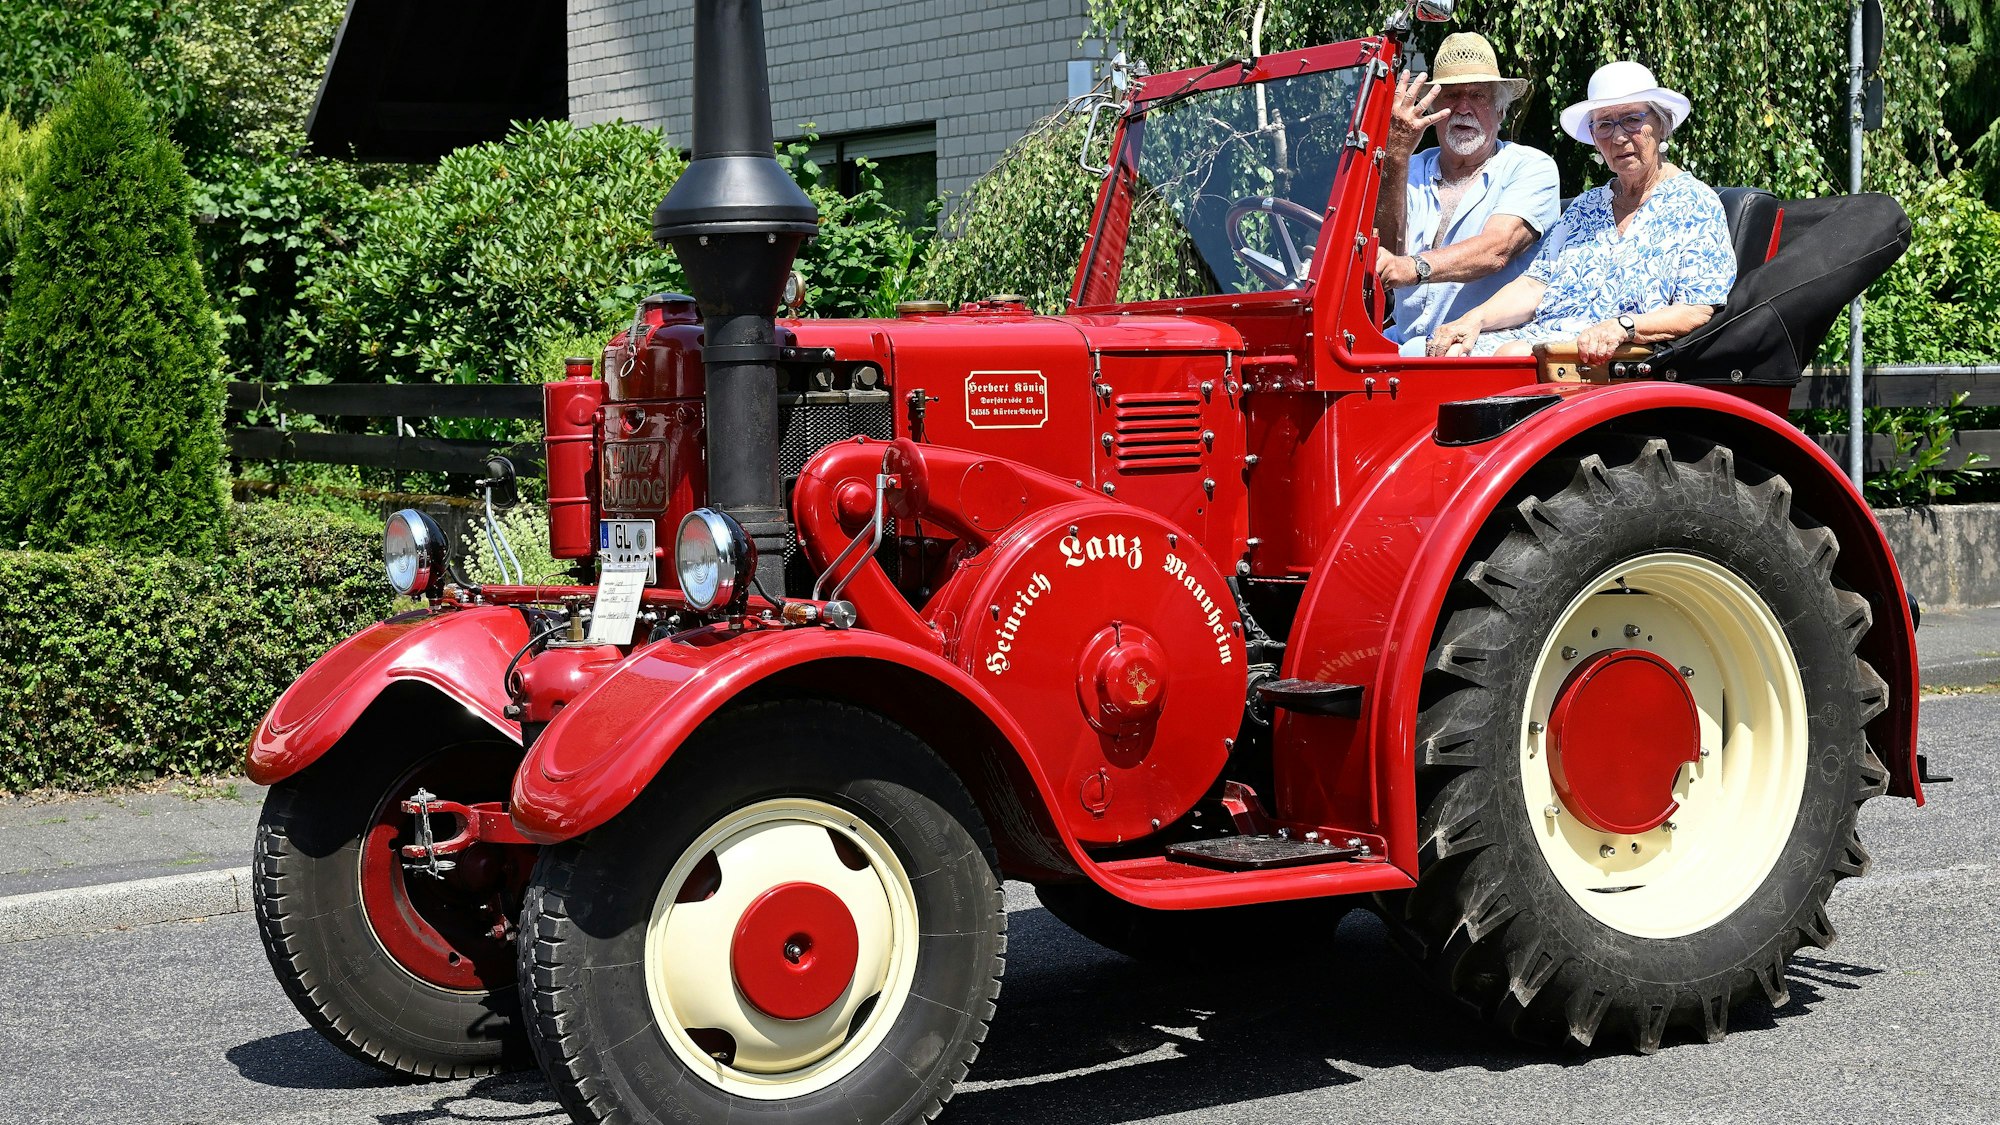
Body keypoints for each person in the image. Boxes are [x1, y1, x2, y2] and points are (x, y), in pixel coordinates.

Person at [1422, 61, 1737, 362]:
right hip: (1546, 343)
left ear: (1660, 125)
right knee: (1449, 353)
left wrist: (1624, 326)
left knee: (1507, 358)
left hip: (1615, 358)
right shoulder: (1586, 207)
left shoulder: (1696, 204)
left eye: (1632, 119)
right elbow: (1535, 285)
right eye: (1604, 124)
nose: (1618, 136)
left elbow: (1697, 310)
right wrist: (1473, 319)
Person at [1374, 32, 1561, 352]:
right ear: (1430, 112)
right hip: (1405, 342)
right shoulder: (1407, 168)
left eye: (1478, 95)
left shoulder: (1530, 167)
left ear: (1500, 110)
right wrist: (1395, 155)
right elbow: (1385, 254)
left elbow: (1495, 250)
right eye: (1450, 95)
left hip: (1486, 347)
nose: (1463, 108)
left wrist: (1411, 268)